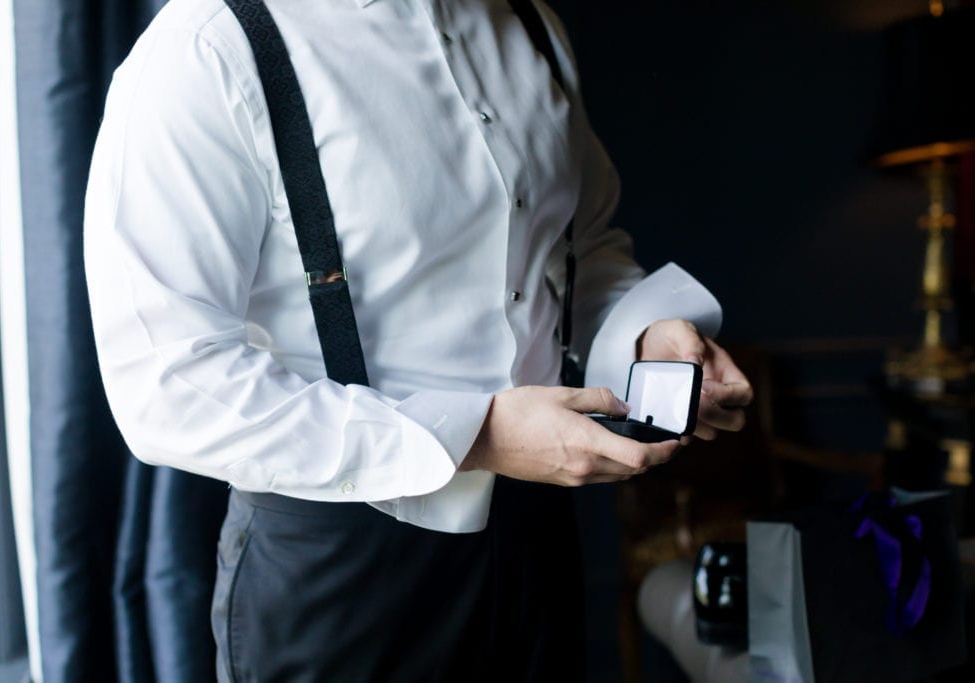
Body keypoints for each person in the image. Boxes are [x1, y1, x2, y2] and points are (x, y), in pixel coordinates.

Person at [84, 0, 752, 680]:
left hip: (539, 539)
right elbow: (165, 384)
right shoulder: (205, 50)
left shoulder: (529, 23)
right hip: (341, 572)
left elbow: (581, 250)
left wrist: (641, 335)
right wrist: (478, 434)